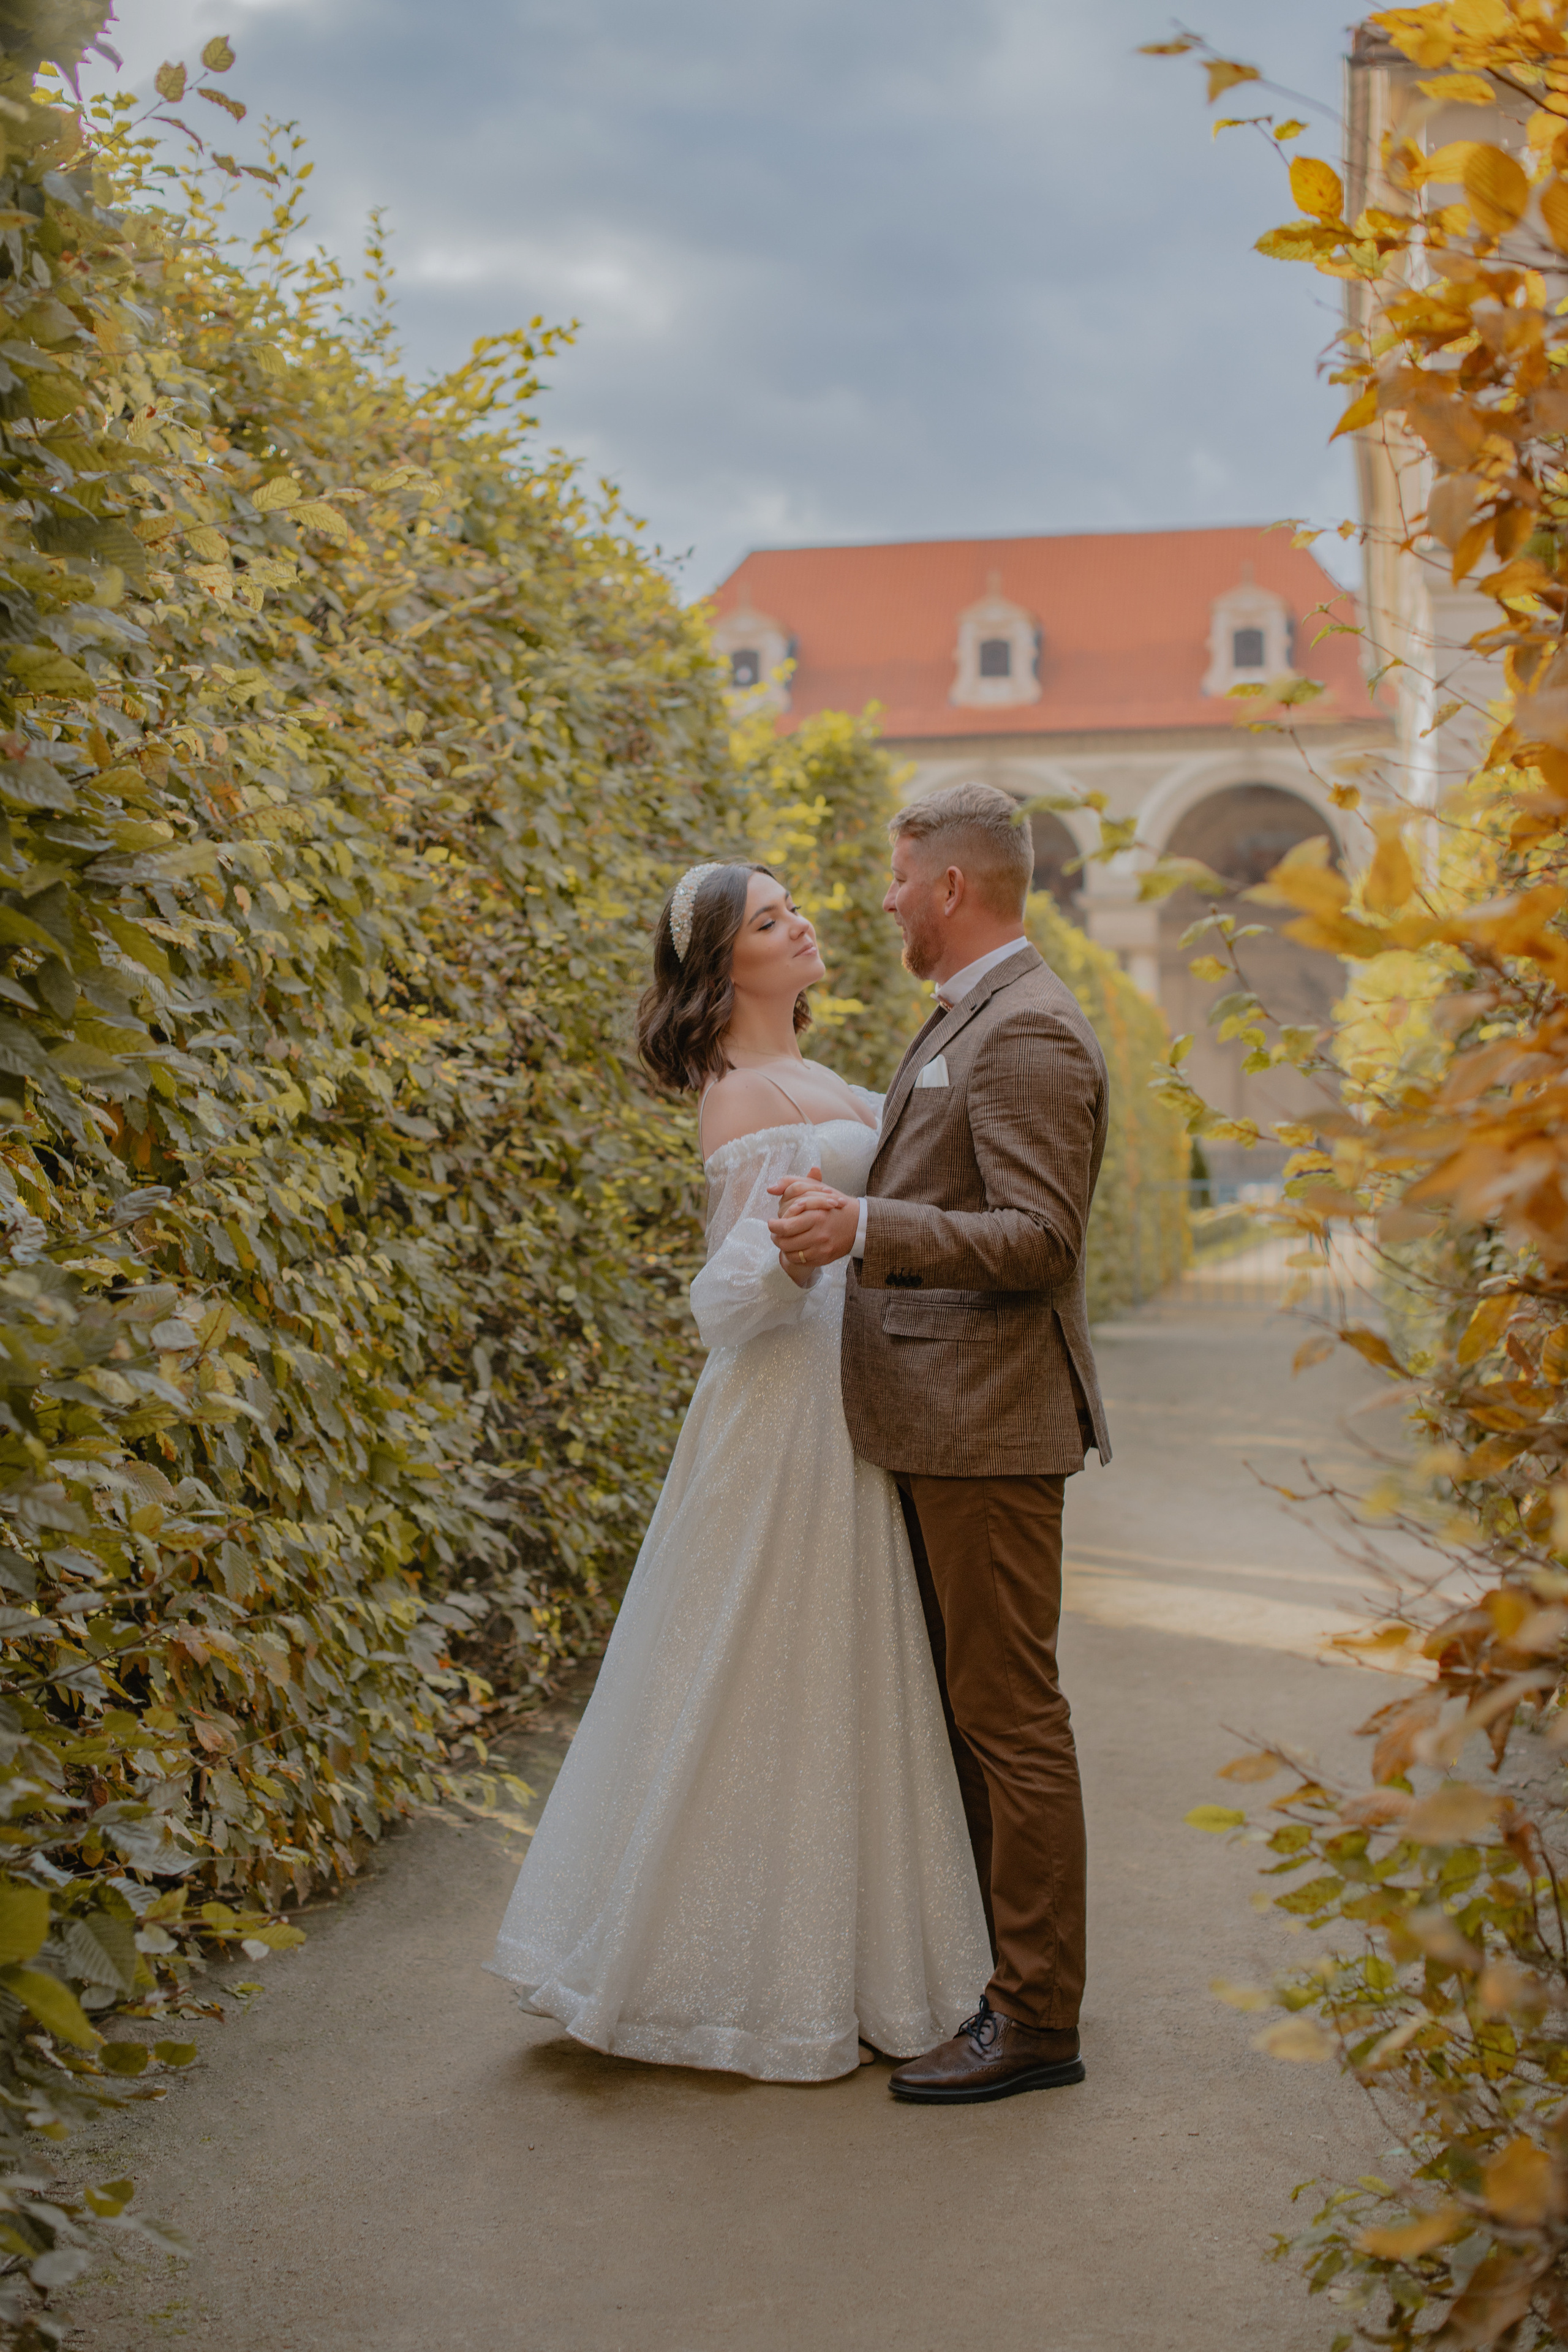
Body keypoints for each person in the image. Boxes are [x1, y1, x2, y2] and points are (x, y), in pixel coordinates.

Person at [485, 860, 991, 2083]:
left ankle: (855, 1957)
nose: (800, 922)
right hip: (787, 1406)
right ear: (723, 966)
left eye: (792, 904)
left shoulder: (818, 1074)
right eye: (769, 919)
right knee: (772, 1663)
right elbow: (722, 1301)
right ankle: (730, 1978)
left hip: (858, 1387)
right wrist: (792, 1257)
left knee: (851, 1665)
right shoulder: (737, 1095)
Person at [769, 781, 1109, 2105]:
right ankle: (993, 1981)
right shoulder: (970, 1012)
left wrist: (867, 1228)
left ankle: (1034, 2019)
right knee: (975, 1720)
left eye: (900, 879)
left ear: (952, 887)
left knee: (1010, 1722)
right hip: (940, 1417)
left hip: (988, 1427)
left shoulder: (1025, 1029)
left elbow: (1041, 1240)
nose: (886, 900)